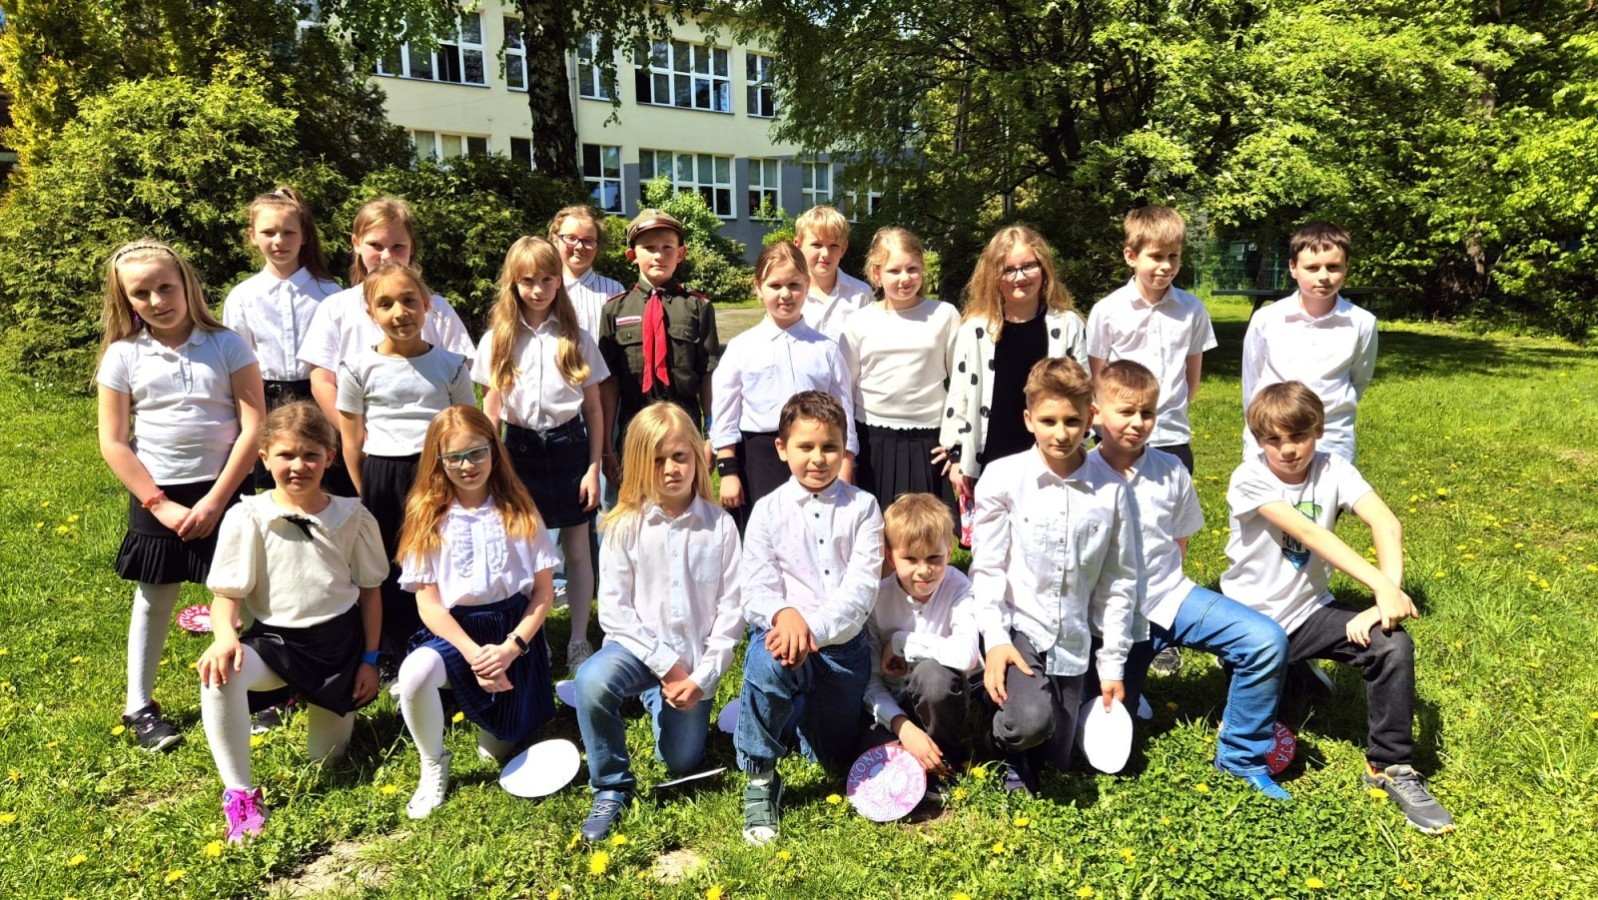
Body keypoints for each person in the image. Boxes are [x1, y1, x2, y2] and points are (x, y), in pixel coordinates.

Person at [1222, 382, 1455, 833]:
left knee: (1392, 645)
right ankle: (1285, 670)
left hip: (1309, 611)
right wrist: (1380, 586)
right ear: (1258, 440)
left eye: (1299, 436)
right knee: (1272, 714)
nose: (1288, 450)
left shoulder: (1334, 468)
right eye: (1273, 439)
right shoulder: (1249, 477)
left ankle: (1390, 767)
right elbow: (1312, 536)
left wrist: (1386, 597)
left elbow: (1387, 523)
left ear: (1319, 430)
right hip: (1250, 623)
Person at [1086, 361, 1290, 799]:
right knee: (1105, 745)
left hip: (1171, 597)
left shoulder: (1171, 469)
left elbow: (1179, 540)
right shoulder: (1078, 475)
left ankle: (1241, 757)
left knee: (1264, 640)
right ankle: (1129, 688)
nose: (1138, 423)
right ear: (1095, 413)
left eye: (1147, 413)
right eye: (1126, 412)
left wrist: (1167, 593)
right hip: (1109, 621)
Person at [97, 238, 265, 752]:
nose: (156, 300)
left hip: (226, 486)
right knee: (155, 597)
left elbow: (253, 425)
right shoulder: (123, 356)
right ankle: (139, 706)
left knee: (246, 591)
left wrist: (216, 500)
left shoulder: (228, 345)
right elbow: (113, 441)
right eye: (141, 293)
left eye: (165, 287)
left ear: (186, 284)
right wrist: (159, 503)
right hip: (158, 493)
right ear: (126, 300)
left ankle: (263, 691)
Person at [197, 402, 387, 842]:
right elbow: (226, 597)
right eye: (285, 455)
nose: (298, 466)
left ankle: (319, 708)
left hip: (338, 651)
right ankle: (240, 794)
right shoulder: (248, 517)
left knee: (328, 761)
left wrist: (370, 660)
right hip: (275, 646)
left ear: (330, 458)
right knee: (220, 674)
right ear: (264, 458)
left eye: (310, 455)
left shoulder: (353, 517)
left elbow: (371, 593)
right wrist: (224, 637)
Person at [572, 402, 744, 842]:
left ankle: (657, 699)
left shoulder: (721, 527)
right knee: (591, 682)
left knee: (680, 762)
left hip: (693, 663)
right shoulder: (623, 526)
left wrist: (702, 678)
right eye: (657, 459)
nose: (670, 469)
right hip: (636, 653)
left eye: (680, 456)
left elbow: (732, 612)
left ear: (697, 457)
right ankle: (611, 785)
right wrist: (666, 667)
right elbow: (615, 612)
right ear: (637, 464)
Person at [972, 357, 1137, 796]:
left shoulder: (1112, 490)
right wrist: (996, 639)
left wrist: (1112, 665)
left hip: (1072, 637)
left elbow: (1119, 583)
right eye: (1048, 421)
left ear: (1091, 418)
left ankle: (1032, 716)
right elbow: (987, 568)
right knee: (1029, 724)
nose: (1061, 433)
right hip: (1020, 626)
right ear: (1029, 419)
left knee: (1058, 756)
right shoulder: (1004, 477)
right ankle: (996, 730)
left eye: (1072, 421)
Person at [394, 405, 561, 819]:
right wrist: (474, 655)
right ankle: (433, 763)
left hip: (512, 632)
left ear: (494, 450)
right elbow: (428, 603)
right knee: (414, 674)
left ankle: (498, 719)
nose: (467, 466)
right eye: (454, 457)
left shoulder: (519, 508)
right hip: (456, 633)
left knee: (497, 751)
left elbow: (543, 593)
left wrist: (509, 649)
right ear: (438, 460)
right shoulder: (427, 515)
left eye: (476, 453)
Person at [735, 391, 883, 844]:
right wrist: (784, 614)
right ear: (782, 448)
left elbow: (860, 591)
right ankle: (761, 777)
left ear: (844, 448)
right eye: (806, 447)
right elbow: (754, 587)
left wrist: (810, 628)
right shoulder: (767, 510)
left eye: (829, 447)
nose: (818, 458)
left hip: (842, 651)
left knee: (827, 756)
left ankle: (793, 716)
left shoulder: (863, 508)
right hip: (782, 640)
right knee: (767, 662)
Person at [477, 236, 610, 673]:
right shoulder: (498, 340)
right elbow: (491, 409)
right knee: (522, 551)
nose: (538, 290)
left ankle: (577, 639)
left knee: (577, 548)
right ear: (513, 283)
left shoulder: (576, 337)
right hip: (517, 451)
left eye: (548, 279)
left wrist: (593, 468)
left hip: (570, 448)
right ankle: (532, 638)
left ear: (559, 281)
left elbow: (593, 409)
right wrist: (492, 466)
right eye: (528, 281)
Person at [335, 263, 475, 664]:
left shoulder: (451, 365)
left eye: (409, 300)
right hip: (383, 475)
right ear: (370, 313)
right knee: (390, 566)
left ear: (427, 304)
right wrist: (365, 492)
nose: (400, 312)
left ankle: (445, 645)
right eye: (386, 304)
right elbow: (351, 441)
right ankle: (393, 650)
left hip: (439, 474)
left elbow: (466, 429)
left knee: (440, 558)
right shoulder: (357, 368)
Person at [299, 196, 476, 493]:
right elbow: (322, 381)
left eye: (397, 246)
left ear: (412, 247)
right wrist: (359, 436)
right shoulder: (335, 308)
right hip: (363, 448)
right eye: (376, 245)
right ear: (356, 243)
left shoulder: (437, 309)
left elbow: (460, 374)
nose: (387, 256)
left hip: (434, 452)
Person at [939, 225, 1088, 511]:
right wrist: (957, 454)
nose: (1020, 277)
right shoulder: (976, 330)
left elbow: (1084, 392)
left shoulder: (1067, 325)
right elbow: (960, 394)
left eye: (1029, 266)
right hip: (991, 453)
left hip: (1051, 455)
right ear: (993, 276)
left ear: (1044, 268)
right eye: (1008, 270)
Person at [712, 242, 855, 528]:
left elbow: (844, 413)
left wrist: (846, 466)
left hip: (816, 453)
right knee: (766, 533)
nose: (785, 294)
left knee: (816, 530)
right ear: (758, 287)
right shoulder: (742, 347)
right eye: (775, 285)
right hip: (759, 458)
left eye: (794, 285)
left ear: (807, 285)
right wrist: (728, 471)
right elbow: (725, 413)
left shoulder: (826, 349)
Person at [224, 186, 344, 492]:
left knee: (327, 483)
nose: (279, 241)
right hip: (265, 402)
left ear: (304, 236)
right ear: (253, 236)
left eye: (289, 232)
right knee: (275, 487)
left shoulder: (329, 293)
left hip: (322, 399)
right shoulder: (243, 297)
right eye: (269, 232)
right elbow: (235, 360)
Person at [861, 493, 980, 794]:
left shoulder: (959, 588)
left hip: (944, 699)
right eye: (911, 559)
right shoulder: (877, 598)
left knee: (932, 674)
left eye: (934, 558)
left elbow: (966, 656)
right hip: (895, 701)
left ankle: (944, 757)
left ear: (949, 551)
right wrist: (902, 725)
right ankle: (912, 748)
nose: (924, 570)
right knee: (867, 752)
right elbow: (871, 680)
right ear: (891, 557)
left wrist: (902, 642)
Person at [1086, 205, 1216, 476]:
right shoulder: (1107, 310)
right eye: (1156, 256)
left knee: (1171, 501)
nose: (1166, 266)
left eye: (1173, 256)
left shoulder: (1192, 310)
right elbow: (1097, 378)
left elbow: (1192, 377)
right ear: (1131, 256)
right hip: (1118, 435)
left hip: (1171, 434)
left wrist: (1173, 408)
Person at [597, 209, 720, 497]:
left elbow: (708, 375)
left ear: (681, 253)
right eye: (649, 248)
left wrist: (712, 436)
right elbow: (610, 382)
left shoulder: (698, 307)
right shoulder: (615, 309)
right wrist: (606, 446)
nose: (659, 256)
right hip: (635, 430)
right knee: (637, 507)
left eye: (667, 247)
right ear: (632, 255)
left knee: (688, 506)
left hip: (685, 429)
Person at [839, 227, 959, 513]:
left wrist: (955, 443)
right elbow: (845, 390)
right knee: (874, 525)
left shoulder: (944, 315)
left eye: (912, 269)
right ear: (876, 274)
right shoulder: (858, 322)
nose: (904, 278)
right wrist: (848, 452)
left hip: (929, 440)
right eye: (894, 270)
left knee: (926, 528)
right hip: (872, 439)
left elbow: (961, 385)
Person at [1240, 221, 1376, 463]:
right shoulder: (1267, 320)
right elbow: (1252, 382)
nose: (1324, 276)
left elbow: (1359, 379)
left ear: (1346, 267)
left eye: (1333, 267)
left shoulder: (1361, 323)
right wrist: (1260, 429)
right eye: (1312, 268)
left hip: (1333, 437)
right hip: (1273, 435)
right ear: (1293, 267)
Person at [793, 205, 873, 342]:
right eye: (817, 245)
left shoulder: (861, 294)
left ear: (843, 249)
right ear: (798, 246)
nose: (825, 253)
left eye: (834, 246)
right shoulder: (790, 294)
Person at [548, 205, 624, 339]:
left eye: (588, 241)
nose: (579, 246)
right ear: (555, 240)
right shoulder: (545, 288)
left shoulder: (614, 290)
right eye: (571, 238)